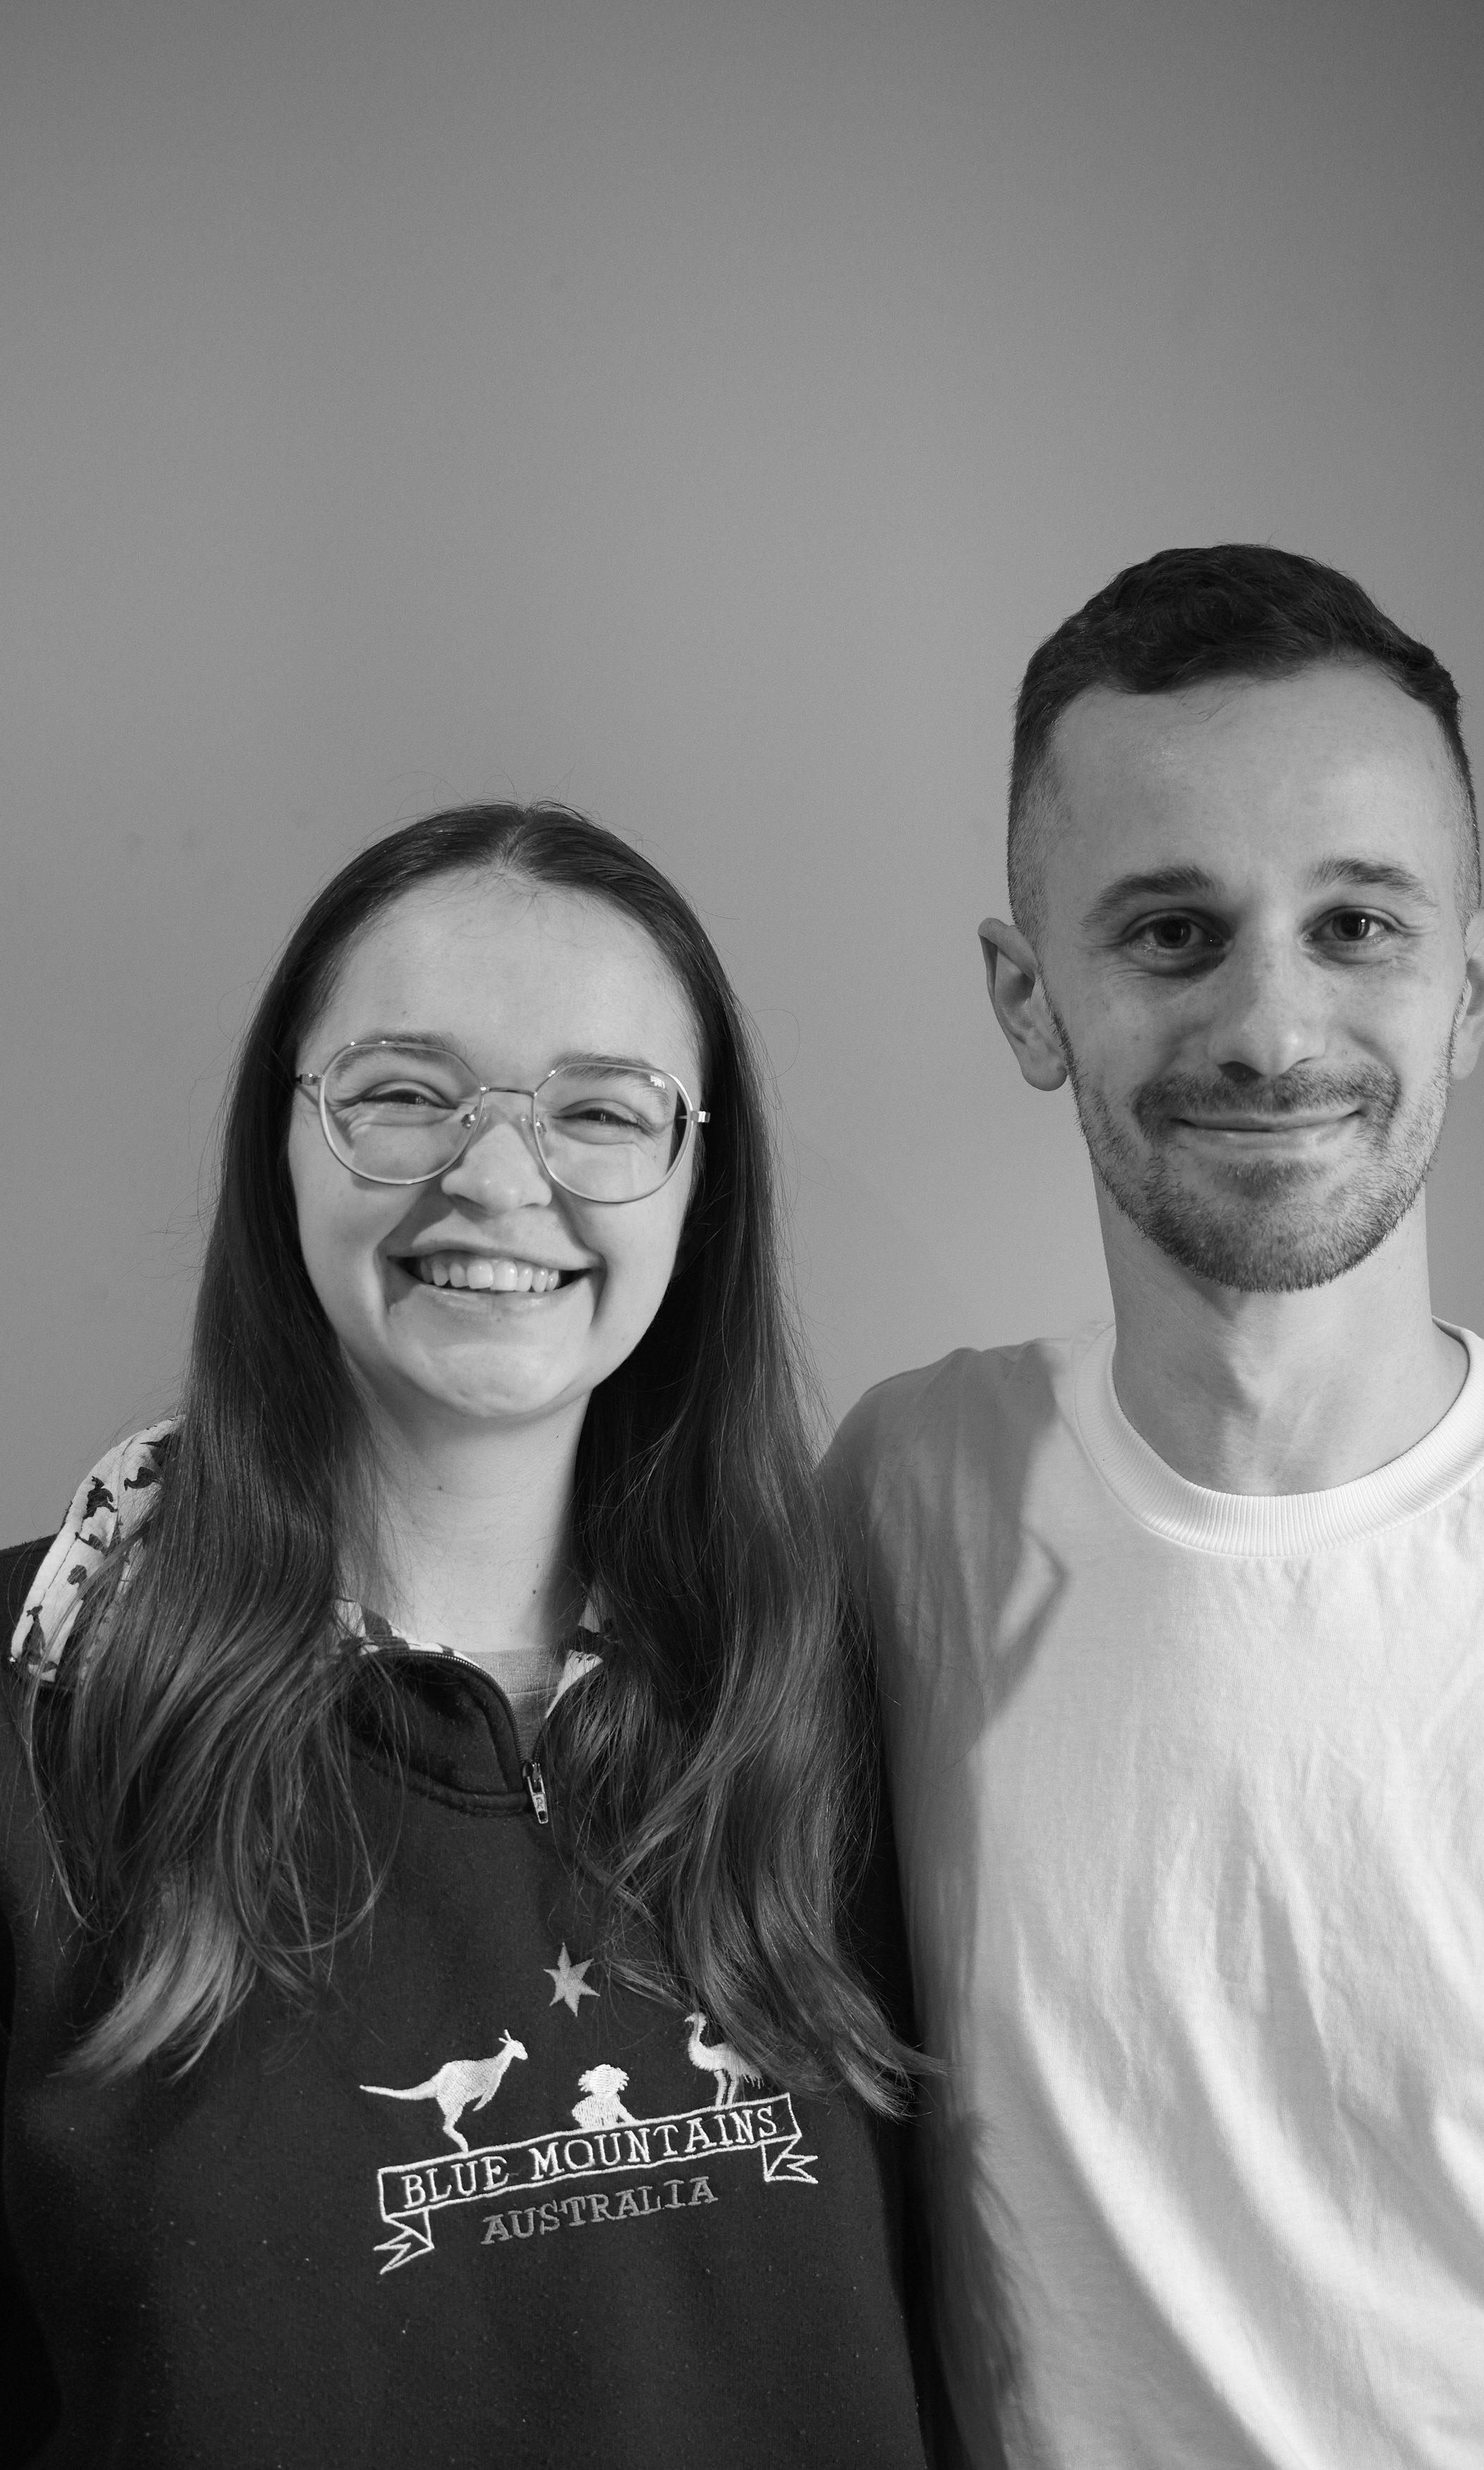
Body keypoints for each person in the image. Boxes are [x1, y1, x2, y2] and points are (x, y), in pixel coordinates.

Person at [827, 547, 1484, 2467]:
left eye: (1355, 925)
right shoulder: (905, 1493)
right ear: (1025, 996)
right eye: (1171, 932)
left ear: (1467, 987)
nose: (1270, 1026)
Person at [0, 805, 929, 2469]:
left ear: (698, 1183)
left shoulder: (856, 1687)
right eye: (404, 1094)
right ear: (280, 1142)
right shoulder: (31, 1705)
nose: (499, 1178)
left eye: (601, 1109)